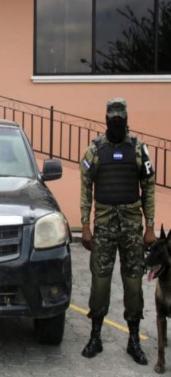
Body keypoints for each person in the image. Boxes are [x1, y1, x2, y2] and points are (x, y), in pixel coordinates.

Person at [80, 98, 156, 365]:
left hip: (132, 229)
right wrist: (85, 225)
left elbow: (149, 188)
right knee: (100, 282)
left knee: (133, 283)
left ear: (126, 120)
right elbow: (86, 187)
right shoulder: (95, 150)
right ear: (105, 120)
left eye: (120, 119)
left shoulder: (138, 150)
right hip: (104, 227)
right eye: (112, 119)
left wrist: (149, 227)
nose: (116, 123)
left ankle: (133, 340)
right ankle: (95, 336)